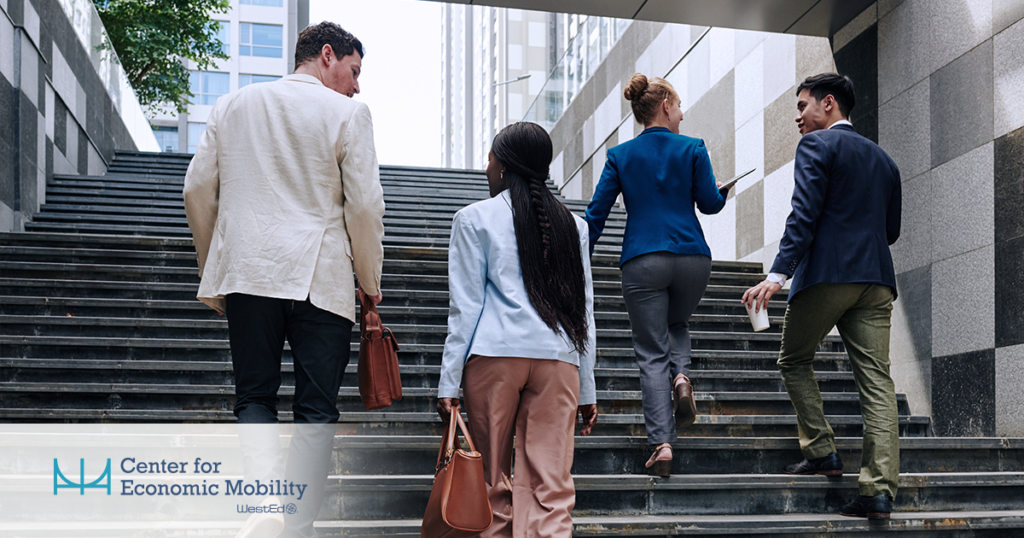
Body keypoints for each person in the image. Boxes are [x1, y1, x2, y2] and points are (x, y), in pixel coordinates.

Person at [183, 21, 385, 538]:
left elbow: (197, 190)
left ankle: (263, 509)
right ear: (326, 55)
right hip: (322, 278)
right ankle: (296, 522)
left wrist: (218, 265)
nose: (357, 84)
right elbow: (365, 208)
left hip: (249, 275)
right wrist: (370, 282)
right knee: (316, 407)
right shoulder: (348, 113)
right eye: (354, 70)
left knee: (254, 396)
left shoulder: (232, 106)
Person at [741, 73, 902, 520]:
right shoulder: (885, 160)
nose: (797, 117)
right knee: (878, 384)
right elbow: (891, 231)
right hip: (875, 281)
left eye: (802, 106)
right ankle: (878, 491)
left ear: (828, 104)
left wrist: (776, 275)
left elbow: (804, 214)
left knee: (793, 360)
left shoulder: (816, 146)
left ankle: (822, 450)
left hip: (829, 274)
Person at [435, 122, 598, 538]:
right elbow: (584, 311)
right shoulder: (574, 226)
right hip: (559, 362)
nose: (486, 168)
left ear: (504, 165)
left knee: (491, 483)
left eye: (490, 159)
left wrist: (448, 383)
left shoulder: (474, 219)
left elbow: (465, 309)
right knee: (551, 487)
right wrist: (589, 389)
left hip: (494, 357)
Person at [586, 73, 729, 478]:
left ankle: (662, 444)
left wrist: (578, 259)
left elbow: (595, 216)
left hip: (642, 258)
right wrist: (722, 191)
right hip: (692, 257)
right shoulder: (693, 147)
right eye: (679, 105)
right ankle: (682, 375)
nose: (682, 114)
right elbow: (710, 204)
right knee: (677, 322)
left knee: (651, 352)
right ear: (665, 104)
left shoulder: (620, 156)